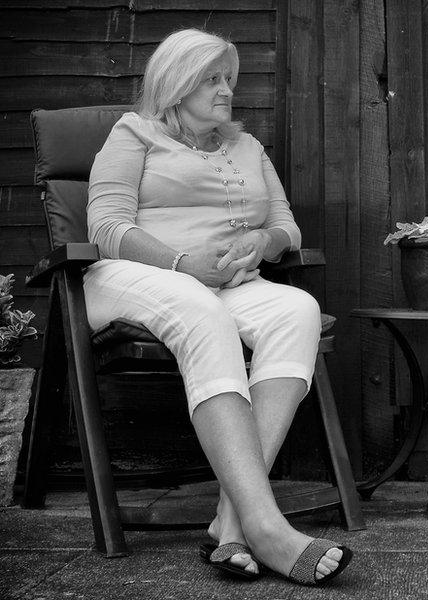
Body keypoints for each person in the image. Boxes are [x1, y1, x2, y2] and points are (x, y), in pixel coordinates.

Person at [85, 29, 352, 585]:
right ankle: (266, 525)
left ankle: (230, 524)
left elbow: (286, 227)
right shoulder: (134, 133)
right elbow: (107, 227)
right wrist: (183, 263)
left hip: (227, 285)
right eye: (211, 78)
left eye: (229, 77)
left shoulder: (247, 146)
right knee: (198, 307)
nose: (227, 89)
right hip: (136, 277)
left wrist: (264, 243)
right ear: (176, 84)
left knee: (296, 308)